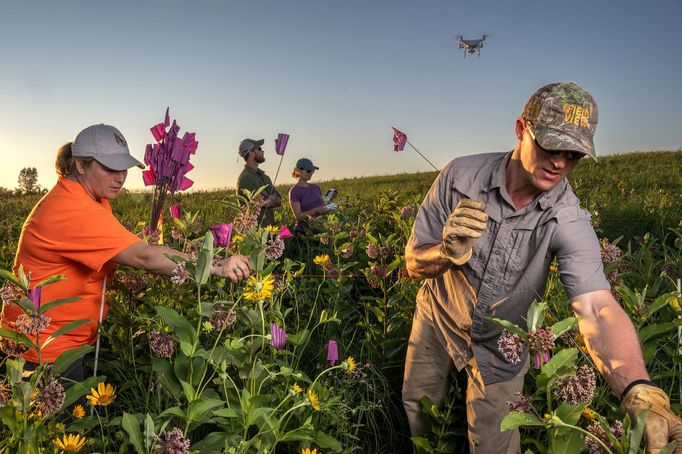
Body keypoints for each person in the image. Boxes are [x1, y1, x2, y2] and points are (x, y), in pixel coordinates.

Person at [403, 83, 682, 453]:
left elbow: (597, 308)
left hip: (501, 345)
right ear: (522, 129)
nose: (560, 163)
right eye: (551, 146)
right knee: (419, 411)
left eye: (574, 154)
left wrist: (638, 389)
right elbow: (412, 262)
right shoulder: (459, 177)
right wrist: (446, 252)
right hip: (438, 318)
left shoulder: (567, 218)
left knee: (493, 444)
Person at [0, 124, 252, 380]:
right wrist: (215, 265)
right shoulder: (72, 209)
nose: (120, 177)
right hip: (43, 350)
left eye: (123, 168)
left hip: (61, 341)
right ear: (80, 165)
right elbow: (143, 257)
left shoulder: (88, 197)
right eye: (110, 168)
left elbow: (111, 243)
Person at [236, 138, 282, 227]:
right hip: (255, 234)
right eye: (259, 149)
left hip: (268, 231)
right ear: (250, 153)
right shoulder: (246, 178)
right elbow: (263, 202)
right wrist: (271, 198)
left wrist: (269, 199)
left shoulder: (264, 177)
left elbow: (279, 201)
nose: (263, 151)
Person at [288, 158, 337, 235]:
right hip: (305, 231)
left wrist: (329, 206)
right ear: (298, 171)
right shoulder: (294, 191)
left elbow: (322, 206)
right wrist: (316, 211)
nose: (311, 173)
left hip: (321, 229)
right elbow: (298, 216)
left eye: (312, 171)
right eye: (308, 171)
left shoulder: (316, 187)